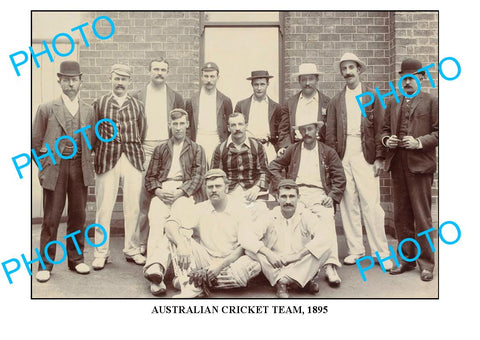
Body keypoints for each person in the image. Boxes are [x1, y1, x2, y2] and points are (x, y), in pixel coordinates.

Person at [325, 53, 392, 270]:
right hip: (344, 153)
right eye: (344, 69)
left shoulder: (371, 96)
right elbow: (331, 133)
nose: (347, 72)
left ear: (359, 70)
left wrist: (380, 157)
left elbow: (381, 127)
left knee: (371, 204)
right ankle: (356, 250)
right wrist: (334, 162)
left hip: (366, 154)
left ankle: (381, 252)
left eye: (351, 67)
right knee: (348, 203)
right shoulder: (336, 100)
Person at [32, 60, 95, 282]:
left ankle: (76, 260)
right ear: (59, 81)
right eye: (66, 80)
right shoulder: (47, 108)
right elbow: (35, 142)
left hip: (79, 168)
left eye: (74, 80)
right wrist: (44, 170)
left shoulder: (88, 110)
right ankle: (45, 265)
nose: (70, 84)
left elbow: (93, 141)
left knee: (78, 216)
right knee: (51, 218)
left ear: (80, 82)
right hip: (56, 169)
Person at [268, 119, 346, 287]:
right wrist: (284, 186)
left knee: (326, 218)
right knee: (297, 222)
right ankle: (300, 264)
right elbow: (273, 166)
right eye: (303, 130)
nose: (307, 133)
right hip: (299, 194)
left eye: (310, 129)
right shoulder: (293, 150)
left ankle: (330, 265)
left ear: (316, 130)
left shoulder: (328, 152)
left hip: (320, 194)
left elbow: (340, 177)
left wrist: (331, 196)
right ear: (299, 133)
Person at [382, 58, 438, 281]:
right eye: (404, 78)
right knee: (401, 216)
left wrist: (419, 142)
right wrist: (388, 140)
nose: (407, 82)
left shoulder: (431, 101)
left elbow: (439, 132)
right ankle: (406, 259)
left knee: (422, 217)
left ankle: (426, 264)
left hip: (420, 166)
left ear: (422, 78)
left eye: (412, 78)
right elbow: (384, 131)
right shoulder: (393, 103)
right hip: (398, 165)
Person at [164, 169, 261, 298]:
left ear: (226, 188)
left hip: (231, 261)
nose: (214, 190)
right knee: (176, 236)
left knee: (251, 266)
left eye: (218, 186)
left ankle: (192, 283)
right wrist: (181, 245)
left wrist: (220, 266)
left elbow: (244, 246)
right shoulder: (200, 208)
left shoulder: (240, 209)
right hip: (206, 259)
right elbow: (170, 224)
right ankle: (196, 283)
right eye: (210, 187)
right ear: (205, 189)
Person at [142, 108, 206, 296]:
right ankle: (155, 275)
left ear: (187, 125)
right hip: (163, 191)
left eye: (181, 124)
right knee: (155, 222)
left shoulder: (196, 149)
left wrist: (180, 192)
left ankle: (178, 271)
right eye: (174, 124)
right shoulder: (161, 149)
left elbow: (198, 177)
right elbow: (150, 177)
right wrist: (159, 191)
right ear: (170, 125)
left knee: (179, 227)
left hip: (183, 192)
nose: (178, 128)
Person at [92, 64, 146, 270]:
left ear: (129, 82)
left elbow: (142, 129)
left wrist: (131, 146)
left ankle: (132, 249)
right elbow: (94, 130)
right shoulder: (100, 103)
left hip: (132, 157)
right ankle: (100, 252)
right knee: (104, 207)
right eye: (117, 78)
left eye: (124, 79)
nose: (120, 83)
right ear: (110, 79)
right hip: (107, 158)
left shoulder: (137, 105)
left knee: (133, 206)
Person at [240, 179, 333, 298]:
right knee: (250, 250)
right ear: (277, 198)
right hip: (275, 262)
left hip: (299, 261)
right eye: (284, 196)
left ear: (298, 198)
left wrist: (299, 255)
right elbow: (246, 236)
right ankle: (299, 281)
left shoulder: (305, 215)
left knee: (326, 248)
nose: (288, 201)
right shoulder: (269, 215)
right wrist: (268, 253)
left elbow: (325, 235)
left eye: (291, 196)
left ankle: (283, 281)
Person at [132, 58, 185, 255]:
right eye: (155, 69)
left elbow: (181, 124)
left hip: (167, 147)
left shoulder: (175, 97)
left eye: (163, 70)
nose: (159, 73)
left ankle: (166, 237)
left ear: (168, 73)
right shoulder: (138, 96)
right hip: (146, 147)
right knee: (145, 195)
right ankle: (143, 241)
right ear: (149, 71)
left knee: (169, 190)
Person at [211, 112, 269, 208]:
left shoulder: (257, 146)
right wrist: (225, 192)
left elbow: (264, 172)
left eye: (240, 124)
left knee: (259, 212)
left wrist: (256, 188)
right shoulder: (220, 149)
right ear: (229, 128)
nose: (237, 128)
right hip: (229, 193)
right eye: (233, 125)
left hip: (252, 192)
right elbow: (216, 176)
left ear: (246, 126)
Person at [234, 70, 287, 162]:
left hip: (267, 147)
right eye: (256, 84)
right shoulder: (241, 105)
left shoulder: (276, 107)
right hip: (246, 148)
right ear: (252, 85)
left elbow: (281, 130)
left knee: (268, 174)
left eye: (262, 84)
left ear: (267, 84)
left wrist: (279, 148)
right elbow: (235, 127)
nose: (259, 88)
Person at [278, 63, 331, 153]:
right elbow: (284, 130)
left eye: (311, 79)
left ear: (317, 79)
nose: (307, 83)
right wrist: (287, 147)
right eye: (304, 80)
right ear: (299, 81)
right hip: (296, 149)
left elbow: (331, 132)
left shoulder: (327, 102)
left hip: (319, 150)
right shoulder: (290, 103)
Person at [186, 62, 233, 164]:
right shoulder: (192, 100)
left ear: (218, 77)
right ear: (201, 77)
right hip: (198, 139)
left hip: (217, 140)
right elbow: (188, 126)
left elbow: (230, 126)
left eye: (212, 76)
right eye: (206, 76)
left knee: (215, 171)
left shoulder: (225, 100)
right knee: (198, 169)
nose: (209, 80)